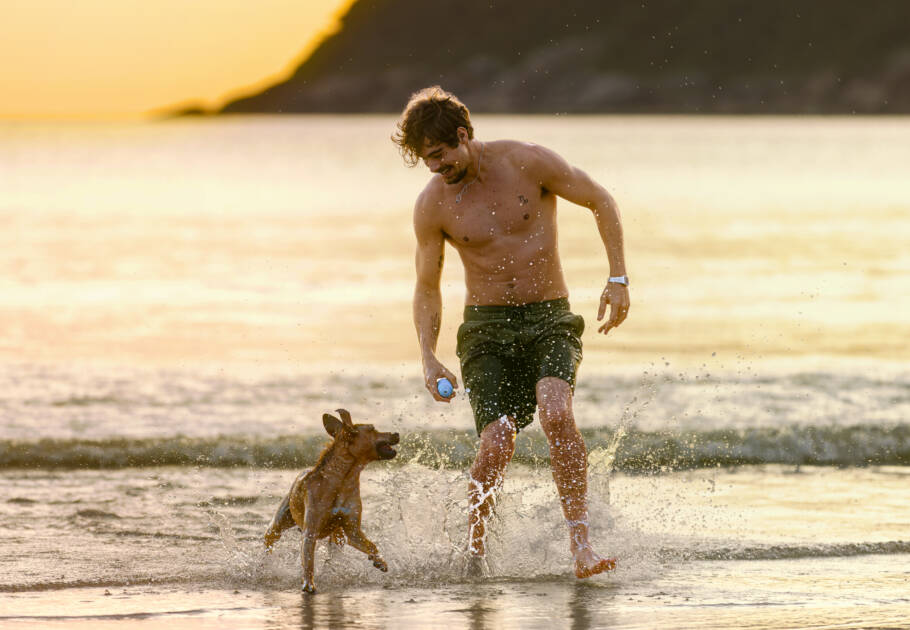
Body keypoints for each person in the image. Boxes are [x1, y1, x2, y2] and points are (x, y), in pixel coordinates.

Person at [393, 86, 629, 578]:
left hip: (549, 317)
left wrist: (618, 278)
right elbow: (426, 287)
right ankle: (474, 555)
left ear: (462, 135)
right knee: (497, 440)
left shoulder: (528, 162)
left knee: (556, 411)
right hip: (486, 328)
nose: (436, 167)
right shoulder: (432, 205)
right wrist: (427, 355)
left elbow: (600, 200)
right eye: (426, 161)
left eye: (440, 155)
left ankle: (581, 546)